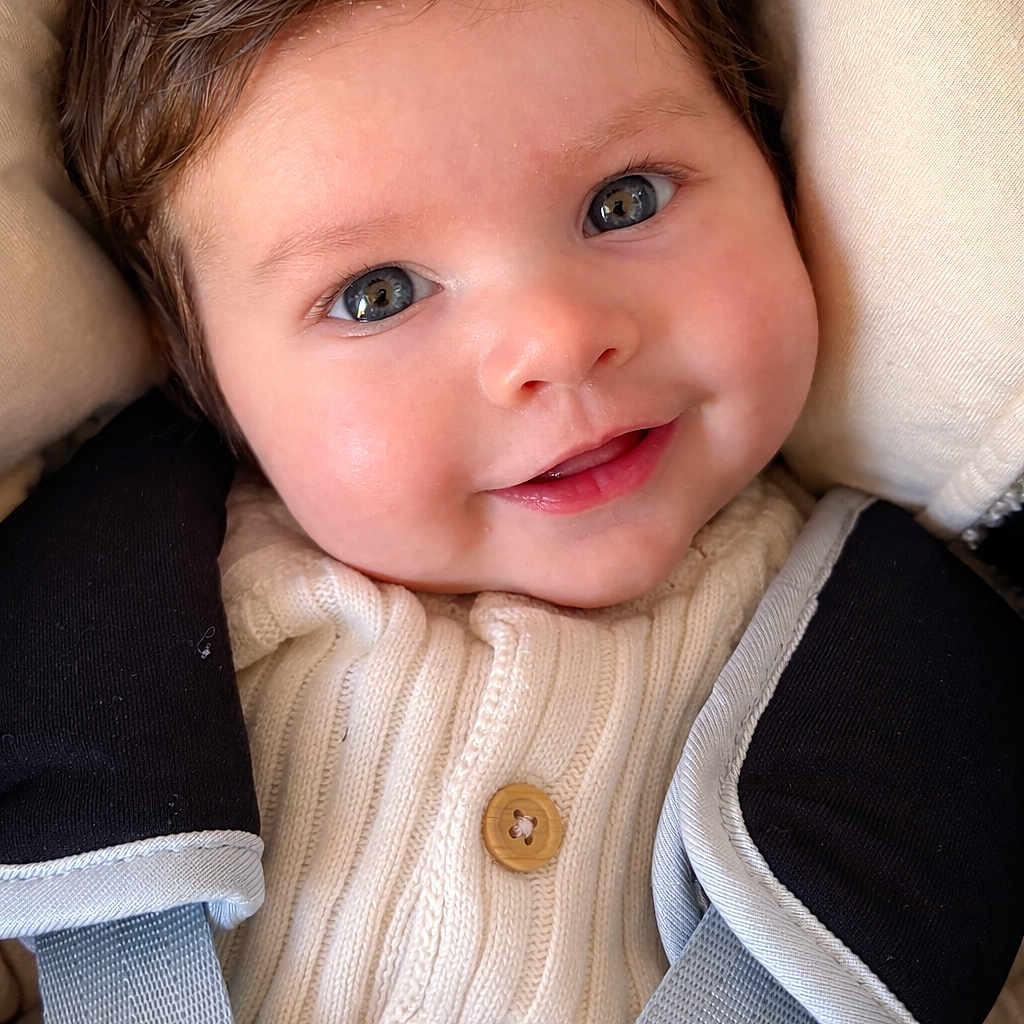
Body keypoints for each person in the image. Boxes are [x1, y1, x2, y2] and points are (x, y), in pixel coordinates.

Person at [34, 0, 1017, 1021]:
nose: (554, 339)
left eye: (624, 201)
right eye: (378, 293)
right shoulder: (98, 634)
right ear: (198, 373)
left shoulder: (901, 663)